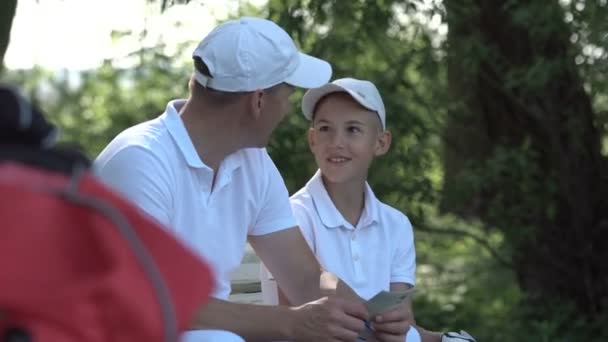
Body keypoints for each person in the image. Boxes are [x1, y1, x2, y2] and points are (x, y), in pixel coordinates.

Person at [94, 17, 411, 341]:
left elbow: (304, 278)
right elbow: (153, 301)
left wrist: (370, 317)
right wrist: (291, 322)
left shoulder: (252, 163)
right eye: (286, 95)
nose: (287, 110)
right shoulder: (140, 162)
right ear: (258, 101)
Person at [260, 78, 476, 342]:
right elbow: (295, 316)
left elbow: (402, 320)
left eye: (353, 130)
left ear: (381, 143)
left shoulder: (396, 225)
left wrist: (399, 328)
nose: (337, 142)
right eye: (326, 129)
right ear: (312, 140)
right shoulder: (292, 217)